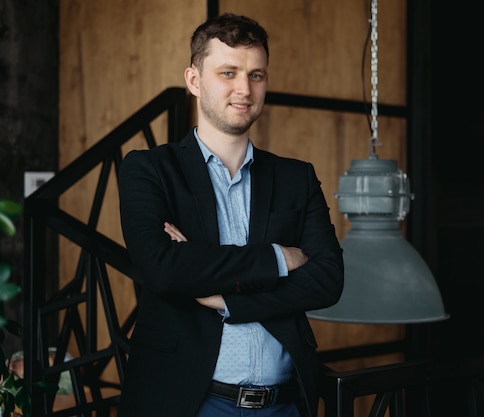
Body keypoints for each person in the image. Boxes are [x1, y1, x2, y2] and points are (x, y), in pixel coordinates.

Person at [116, 12, 344, 417]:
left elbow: (328, 280)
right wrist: (279, 258)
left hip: (286, 404)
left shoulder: (297, 177)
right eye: (228, 72)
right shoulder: (148, 169)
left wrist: (225, 298)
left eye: (256, 75)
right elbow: (164, 269)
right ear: (194, 80)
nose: (244, 88)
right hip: (191, 403)